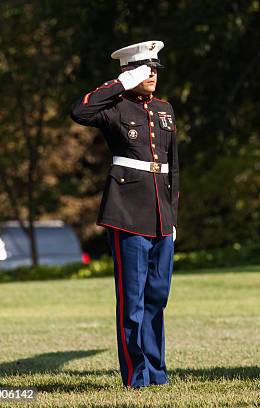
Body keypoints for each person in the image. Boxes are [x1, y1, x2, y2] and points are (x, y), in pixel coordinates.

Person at [70, 40, 179, 388]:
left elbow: (173, 166)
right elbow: (80, 111)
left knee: (157, 297)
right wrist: (121, 84)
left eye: (155, 70)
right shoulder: (114, 107)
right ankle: (136, 375)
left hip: (161, 216)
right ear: (131, 72)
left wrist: (173, 217)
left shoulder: (165, 109)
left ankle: (158, 374)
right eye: (145, 70)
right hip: (126, 214)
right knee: (132, 301)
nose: (153, 75)